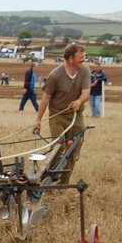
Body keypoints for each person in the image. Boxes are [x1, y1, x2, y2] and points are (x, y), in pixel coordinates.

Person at [32, 43, 90, 186]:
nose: (84, 59)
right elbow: (45, 99)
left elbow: (86, 93)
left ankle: (63, 182)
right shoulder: (55, 75)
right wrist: (38, 121)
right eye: (81, 57)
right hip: (57, 116)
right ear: (70, 59)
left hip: (76, 116)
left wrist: (79, 101)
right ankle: (49, 178)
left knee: (73, 149)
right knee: (58, 147)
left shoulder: (85, 71)